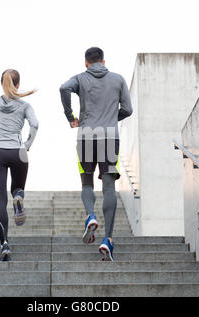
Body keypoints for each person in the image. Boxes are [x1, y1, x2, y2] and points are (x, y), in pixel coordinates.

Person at [59, 47, 133, 261]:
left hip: (85, 135)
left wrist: (70, 116)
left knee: (86, 182)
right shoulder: (118, 79)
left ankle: (90, 215)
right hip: (110, 136)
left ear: (86, 63)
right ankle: (107, 239)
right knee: (109, 185)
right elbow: (127, 109)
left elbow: (63, 88)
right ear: (103, 60)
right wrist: (110, 117)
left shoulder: (80, 78)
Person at [0, 69, 39, 261]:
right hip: (19, 151)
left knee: (0, 201)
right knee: (17, 188)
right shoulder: (25, 105)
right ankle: (18, 196)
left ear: (1, 84)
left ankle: (4, 244)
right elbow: (35, 124)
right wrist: (27, 145)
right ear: (18, 85)